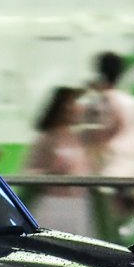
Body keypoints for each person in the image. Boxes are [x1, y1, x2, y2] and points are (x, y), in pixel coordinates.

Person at [86, 51, 134, 236]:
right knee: (126, 234)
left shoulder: (98, 103)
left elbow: (95, 139)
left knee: (105, 236)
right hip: (133, 174)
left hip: (107, 176)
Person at [25, 86, 94, 238]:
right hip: (53, 204)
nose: (75, 108)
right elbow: (28, 172)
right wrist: (51, 172)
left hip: (77, 204)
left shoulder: (79, 138)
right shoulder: (46, 138)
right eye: (71, 104)